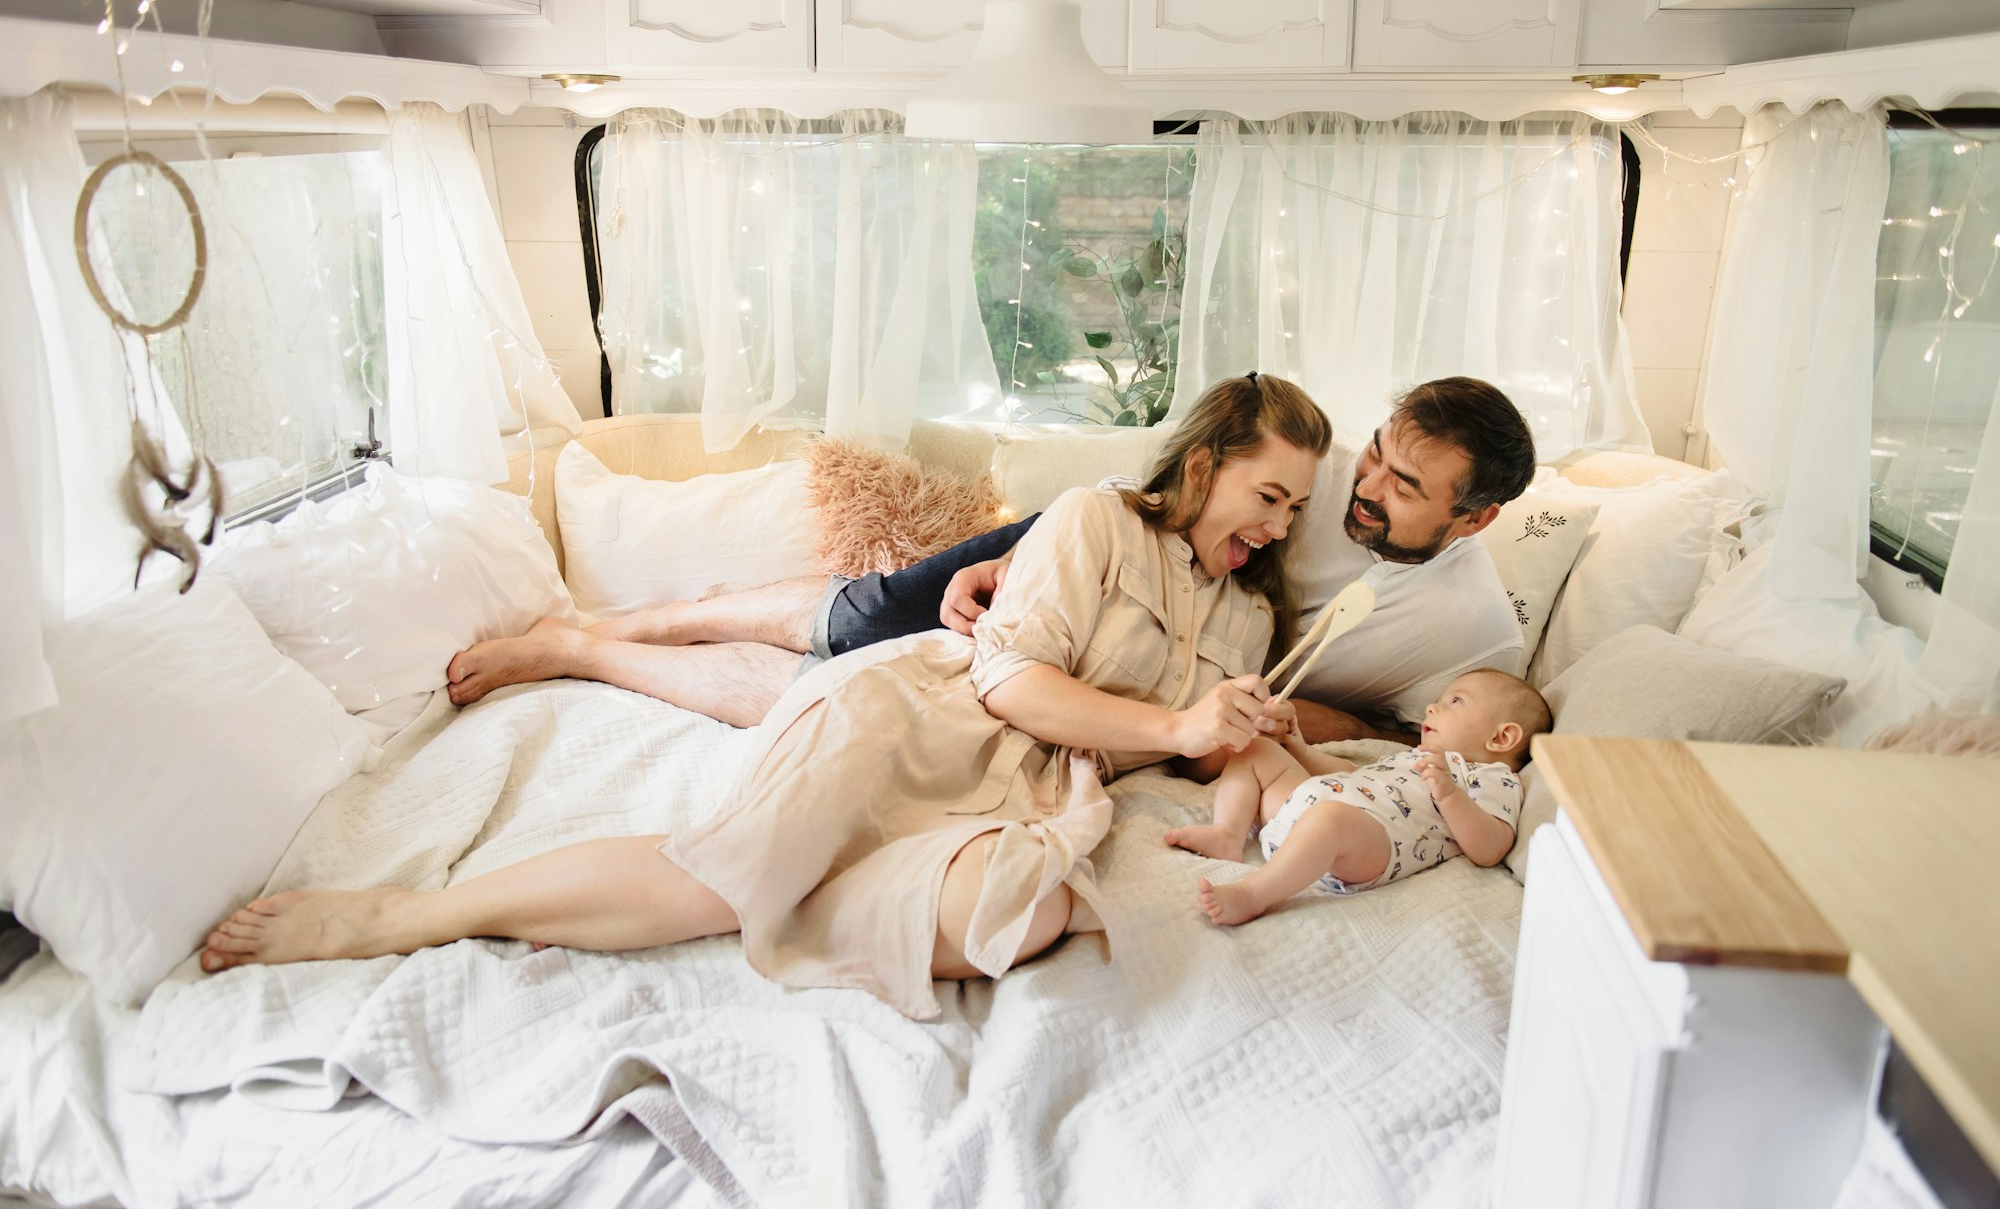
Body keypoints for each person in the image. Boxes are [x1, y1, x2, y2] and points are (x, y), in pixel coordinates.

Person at [200, 376, 1335, 1019]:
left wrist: (1239, 742)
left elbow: (1203, 753)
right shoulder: (1093, 519)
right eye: (1267, 496)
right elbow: (1009, 677)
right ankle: (401, 916)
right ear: (1203, 465)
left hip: (1036, 794)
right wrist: (1178, 726)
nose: (1277, 527)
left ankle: (779, 892)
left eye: (1294, 512)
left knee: (1025, 916)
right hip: (930, 718)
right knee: (722, 866)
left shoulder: (1246, 622)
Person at [443, 377, 1536, 748]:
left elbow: (1415, 732)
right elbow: (1176, 495)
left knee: (821, 677)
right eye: (1379, 456)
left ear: (1473, 521)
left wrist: (1270, 716)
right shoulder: (1316, 458)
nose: (1362, 490)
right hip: (1082, 553)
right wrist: (1013, 557)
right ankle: (626, 624)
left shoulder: (1469, 633)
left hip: (1161, 640)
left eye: (1402, 490)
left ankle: (591, 646)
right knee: (855, 615)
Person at [1170, 668, 1550, 927]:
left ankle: (1255, 893)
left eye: (1456, 702)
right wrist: (1298, 749)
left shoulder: (1490, 777)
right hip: (1315, 807)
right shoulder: (1416, 757)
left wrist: (1450, 794)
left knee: (1330, 820)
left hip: (1367, 844)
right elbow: (1352, 776)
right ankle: (1228, 834)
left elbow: (1491, 847)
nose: (1432, 707)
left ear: (1502, 738)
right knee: (1257, 750)